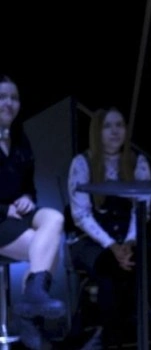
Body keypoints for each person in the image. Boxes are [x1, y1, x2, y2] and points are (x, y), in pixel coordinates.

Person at [67, 107, 151, 348]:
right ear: (97, 131)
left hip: (128, 238)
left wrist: (129, 242)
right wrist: (112, 246)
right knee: (111, 268)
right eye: (107, 126)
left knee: (143, 263)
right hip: (90, 240)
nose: (115, 131)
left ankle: (122, 336)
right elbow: (81, 215)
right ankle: (109, 338)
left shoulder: (137, 161)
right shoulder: (82, 163)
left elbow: (142, 209)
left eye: (119, 125)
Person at [0, 74, 66, 350]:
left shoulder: (19, 137)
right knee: (47, 247)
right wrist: (5, 208)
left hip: (18, 213)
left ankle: (31, 300)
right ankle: (29, 317)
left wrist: (27, 198)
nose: (9, 103)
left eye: (14, 98)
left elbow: (29, 186)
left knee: (55, 218)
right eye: (2, 97)